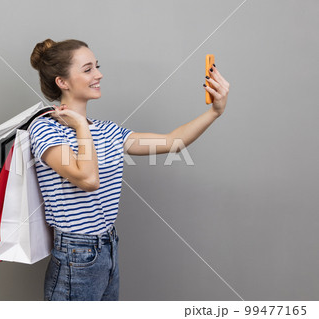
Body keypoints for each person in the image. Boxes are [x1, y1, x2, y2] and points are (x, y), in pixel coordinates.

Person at [28, 38, 230, 301]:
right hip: (75, 256)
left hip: (108, 248)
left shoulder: (107, 130)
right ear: (62, 82)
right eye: (88, 69)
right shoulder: (45, 129)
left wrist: (215, 111)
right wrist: (81, 127)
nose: (99, 74)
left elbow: (172, 142)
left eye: (97, 66)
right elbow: (88, 179)